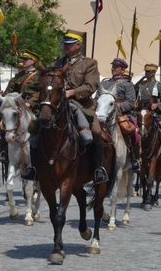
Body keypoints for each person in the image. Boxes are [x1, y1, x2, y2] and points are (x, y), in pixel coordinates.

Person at [23, 31, 107, 184]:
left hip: (81, 104)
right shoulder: (57, 64)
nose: (65, 47)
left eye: (69, 44)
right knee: (35, 127)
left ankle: (98, 169)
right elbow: (46, 85)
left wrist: (73, 92)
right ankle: (33, 168)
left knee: (96, 131)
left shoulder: (89, 63)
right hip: (57, 104)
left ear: (78, 45)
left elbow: (91, 85)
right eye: (64, 44)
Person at [97, 58, 139, 170]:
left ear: (123, 69)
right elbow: (97, 98)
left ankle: (134, 158)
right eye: (113, 66)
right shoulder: (104, 82)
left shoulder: (127, 84)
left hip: (121, 113)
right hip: (103, 112)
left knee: (132, 130)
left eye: (116, 67)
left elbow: (130, 102)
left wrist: (117, 108)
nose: (113, 69)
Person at [134, 63, 161, 160]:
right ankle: (132, 153)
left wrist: (157, 105)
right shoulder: (140, 85)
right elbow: (134, 98)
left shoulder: (159, 86)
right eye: (146, 71)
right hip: (140, 113)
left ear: (153, 73)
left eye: (148, 72)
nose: (146, 73)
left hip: (155, 114)